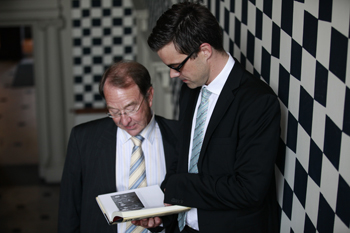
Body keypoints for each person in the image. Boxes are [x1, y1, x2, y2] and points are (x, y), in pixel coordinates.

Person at [144, 2, 281, 233]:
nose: (172, 74)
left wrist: (176, 186)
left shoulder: (258, 102)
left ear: (205, 51)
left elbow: (248, 190)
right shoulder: (190, 88)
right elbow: (183, 155)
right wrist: (164, 206)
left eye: (177, 65)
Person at [58, 60, 179, 233]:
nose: (124, 120)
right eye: (114, 111)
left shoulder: (181, 136)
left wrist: (162, 221)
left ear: (150, 96)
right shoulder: (83, 139)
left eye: (131, 108)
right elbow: (68, 210)